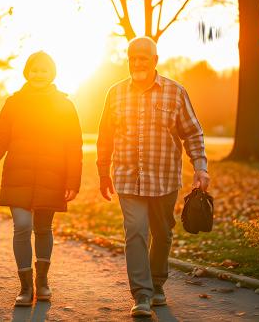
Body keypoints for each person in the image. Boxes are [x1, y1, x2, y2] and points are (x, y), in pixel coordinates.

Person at [96, 37, 210, 317]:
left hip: (164, 178)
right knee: (135, 231)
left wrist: (200, 166)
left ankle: (157, 283)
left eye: (143, 58)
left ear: (155, 60)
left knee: (162, 233)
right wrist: (102, 171)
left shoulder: (175, 92)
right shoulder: (115, 93)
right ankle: (142, 294)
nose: (137, 63)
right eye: (133, 58)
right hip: (127, 177)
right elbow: (105, 137)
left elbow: (192, 132)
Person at [0, 51, 82, 307]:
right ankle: (25, 287)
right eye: (34, 70)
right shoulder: (13, 103)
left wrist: (72, 181)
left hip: (52, 176)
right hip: (18, 174)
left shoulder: (64, 105)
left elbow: (73, 145)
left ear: (52, 73)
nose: (39, 74)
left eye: (44, 70)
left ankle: (42, 283)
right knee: (22, 226)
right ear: (27, 72)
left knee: (44, 228)